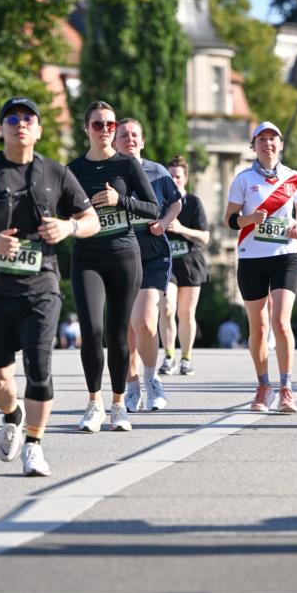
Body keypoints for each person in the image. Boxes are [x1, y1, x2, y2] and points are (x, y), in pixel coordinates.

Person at [0, 96, 99, 475]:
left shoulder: (56, 173)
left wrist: (68, 227)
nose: (21, 124)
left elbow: (91, 219)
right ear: (1, 129)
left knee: (39, 367)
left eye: (28, 118)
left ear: (39, 129)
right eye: (12, 118)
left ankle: (34, 443)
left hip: (42, 286)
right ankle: (12, 414)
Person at [68, 100, 159, 432]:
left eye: (110, 125)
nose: (105, 130)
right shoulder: (73, 169)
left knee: (119, 333)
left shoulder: (127, 165)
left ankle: (119, 404)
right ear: (86, 129)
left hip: (123, 253)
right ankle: (94, 404)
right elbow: (61, 212)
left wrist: (120, 200)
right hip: (87, 256)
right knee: (92, 331)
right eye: (98, 125)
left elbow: (153, 208)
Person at [224, 120, 297, 414]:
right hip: (251, 258)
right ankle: (263, 386)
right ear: (254, 146)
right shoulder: (243, 179)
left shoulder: (294, 177)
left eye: (273, 139)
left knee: (281, 321)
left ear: (281, 144)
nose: (268, 144)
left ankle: (286, 388)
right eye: (262, 139)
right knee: (258, 328)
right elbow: (230, 219)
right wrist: (251, 220)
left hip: (285, 256)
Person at [114, 118, 182, 413]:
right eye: (123, 135)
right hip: (119, 255)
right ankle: (131, 386)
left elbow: (176, 203)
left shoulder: (158, 171)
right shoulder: (108, 173)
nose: (129, 138)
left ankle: (152, 379)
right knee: (126, 329)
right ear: (114, 142)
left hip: (153, 253)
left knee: (144, 320)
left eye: (134, 135)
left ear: (142, 141)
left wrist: (164, 223)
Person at [158, 155, 210, 376]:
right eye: (170, 176)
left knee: (186, 313)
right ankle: (169, 355)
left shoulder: (194, 203)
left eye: (177, 176)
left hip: (190, 262)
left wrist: (180, 229)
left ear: (185, 178)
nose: (174, 180)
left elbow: (205, 237)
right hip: (166, 263)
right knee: (167, 308)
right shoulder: (159, 202)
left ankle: (186, 358)